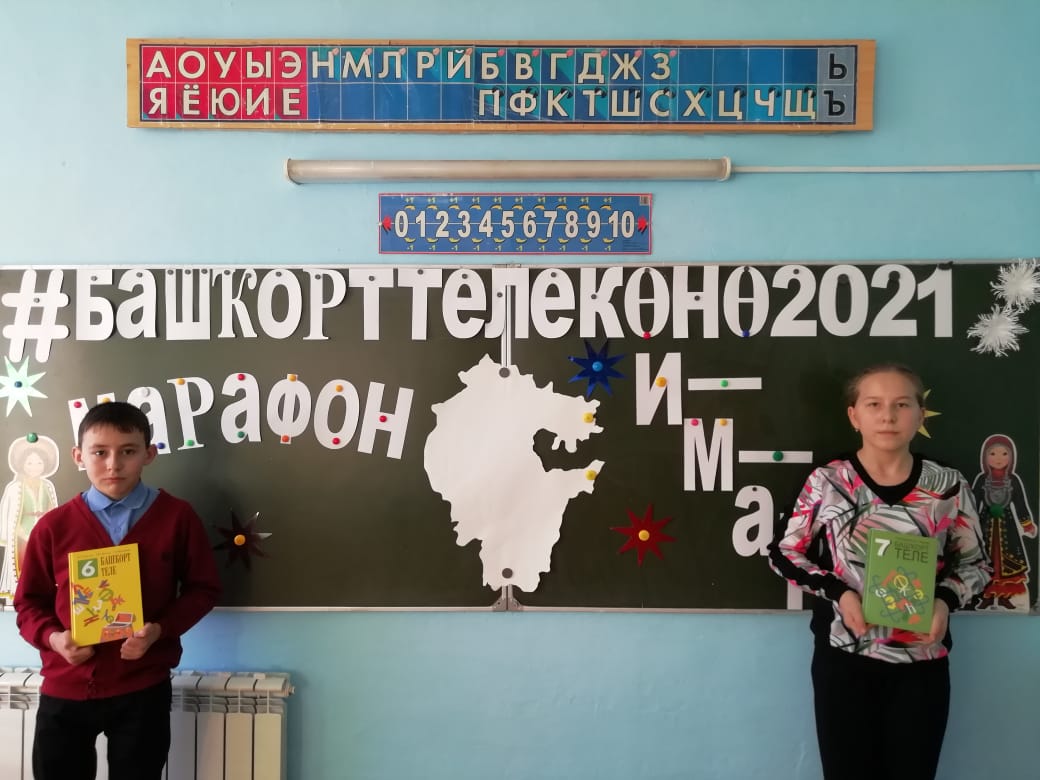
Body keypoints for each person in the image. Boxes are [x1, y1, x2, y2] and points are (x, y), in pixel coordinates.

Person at [768, 363, 990, 780]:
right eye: (874, 404)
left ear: (920, 415)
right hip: (844, 661)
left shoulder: (948, 484)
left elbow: (976, 563)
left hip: (921, 662)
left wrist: (945, 601)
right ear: (854, 416)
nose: (888, 416)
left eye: (902, 404)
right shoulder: (828, 481)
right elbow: (784, 552)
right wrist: (840, 593)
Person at [14, 401, 222, 780]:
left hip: (142, 687)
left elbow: (203, 589)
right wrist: (55, 639)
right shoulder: (53, 526)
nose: (113, 464)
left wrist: (159, 630)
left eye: (127, 451)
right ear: (79, 456)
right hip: (66, 686)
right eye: (99, 452)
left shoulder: (177, 517)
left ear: (149, 454)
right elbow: (28, 603)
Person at [971, 433, 1036, 610]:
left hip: (1008, 527)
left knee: (1006, 563)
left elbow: (1020, 504)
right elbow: (973, 503)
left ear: (1011, 457)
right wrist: (968, 524)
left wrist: (1027, 524)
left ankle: (1004, 597)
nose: (998, 458)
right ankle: (987, 597)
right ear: (985, 457)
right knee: (985, 560)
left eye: (1004, 453)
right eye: (993, 454)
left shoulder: (1013, 481)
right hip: (985, 526)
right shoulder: (982, 479)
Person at [0, 434, 60, 599]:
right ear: (22, 464)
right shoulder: (15, 488)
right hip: (22, 538)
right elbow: (11, 517)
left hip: (44, 534)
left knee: (44, 566)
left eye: (39, 463)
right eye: (30, 463)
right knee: (24, 566)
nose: (35, 467)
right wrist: (24, 535)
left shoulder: (48, 485)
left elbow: (53, 510)